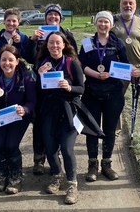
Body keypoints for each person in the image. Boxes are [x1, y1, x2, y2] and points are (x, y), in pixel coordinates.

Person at [36, 31, 102, 205]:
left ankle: (72, 184)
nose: (55, 46)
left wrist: (69, 87)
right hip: (49, 110)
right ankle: (57, 176)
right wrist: (38, 76)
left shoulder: (73, 64)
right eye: (51, 43)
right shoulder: (42, 64)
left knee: (66, 148)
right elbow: (37, 90)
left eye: (58, 43)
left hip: (69, 110)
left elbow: (82, 89)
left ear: (64, 45)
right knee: (50, 149)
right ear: (47, 45)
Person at [79, 11, 140, 182]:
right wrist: (95, 74)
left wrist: (132, 71)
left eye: (106, 22)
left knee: (109, 129)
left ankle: (107, 163)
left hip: (113, 92)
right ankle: (92, 165)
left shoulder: (118, 43)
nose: (103, 25)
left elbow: (125, 64)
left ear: (111, 25)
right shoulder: (87, 42)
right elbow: (81, 63)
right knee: (91, 128)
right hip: (92, 91)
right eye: (100, 22)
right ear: (95, 24)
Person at [26, 3, 78, 176]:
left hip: (64, 92)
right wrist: (33, 40)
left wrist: (70, 83)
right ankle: (39, 158)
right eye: (50, 15)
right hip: (43, 89)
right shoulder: (39, 34)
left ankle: (57, 160)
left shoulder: (67, 35)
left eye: (56, 15)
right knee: (39, 124)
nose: (53, 17)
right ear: (45, 17)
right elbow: (29, 57)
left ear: (60, 17)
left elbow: (73, 56)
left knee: (59, 126)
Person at [0, 45, 36, 194]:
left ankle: (16, 179)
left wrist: (24, 110)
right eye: (3, 60)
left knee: (11, 146)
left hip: (18, 116)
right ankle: (1, 176)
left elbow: (32, 101)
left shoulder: (26, 77)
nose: (7, 63)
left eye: (11, 60)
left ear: (17, 61)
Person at [0, 8, 29, 173]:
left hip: (15, 79)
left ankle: (10, 156)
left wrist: (19, 43)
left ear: (19, 23)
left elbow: (26, 57)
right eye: (8, 20)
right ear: (4, 21)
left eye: (14, 21)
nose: (11, 24)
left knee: (12, 115)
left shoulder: (22, 37)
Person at [112, 0, 140, 131]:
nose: (128, 6)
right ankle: (114, 132)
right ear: (120, 5)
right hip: (120, 67)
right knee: (115, 102)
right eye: (125, 3)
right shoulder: (113, 20)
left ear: (135, 6)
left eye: (131, 3)